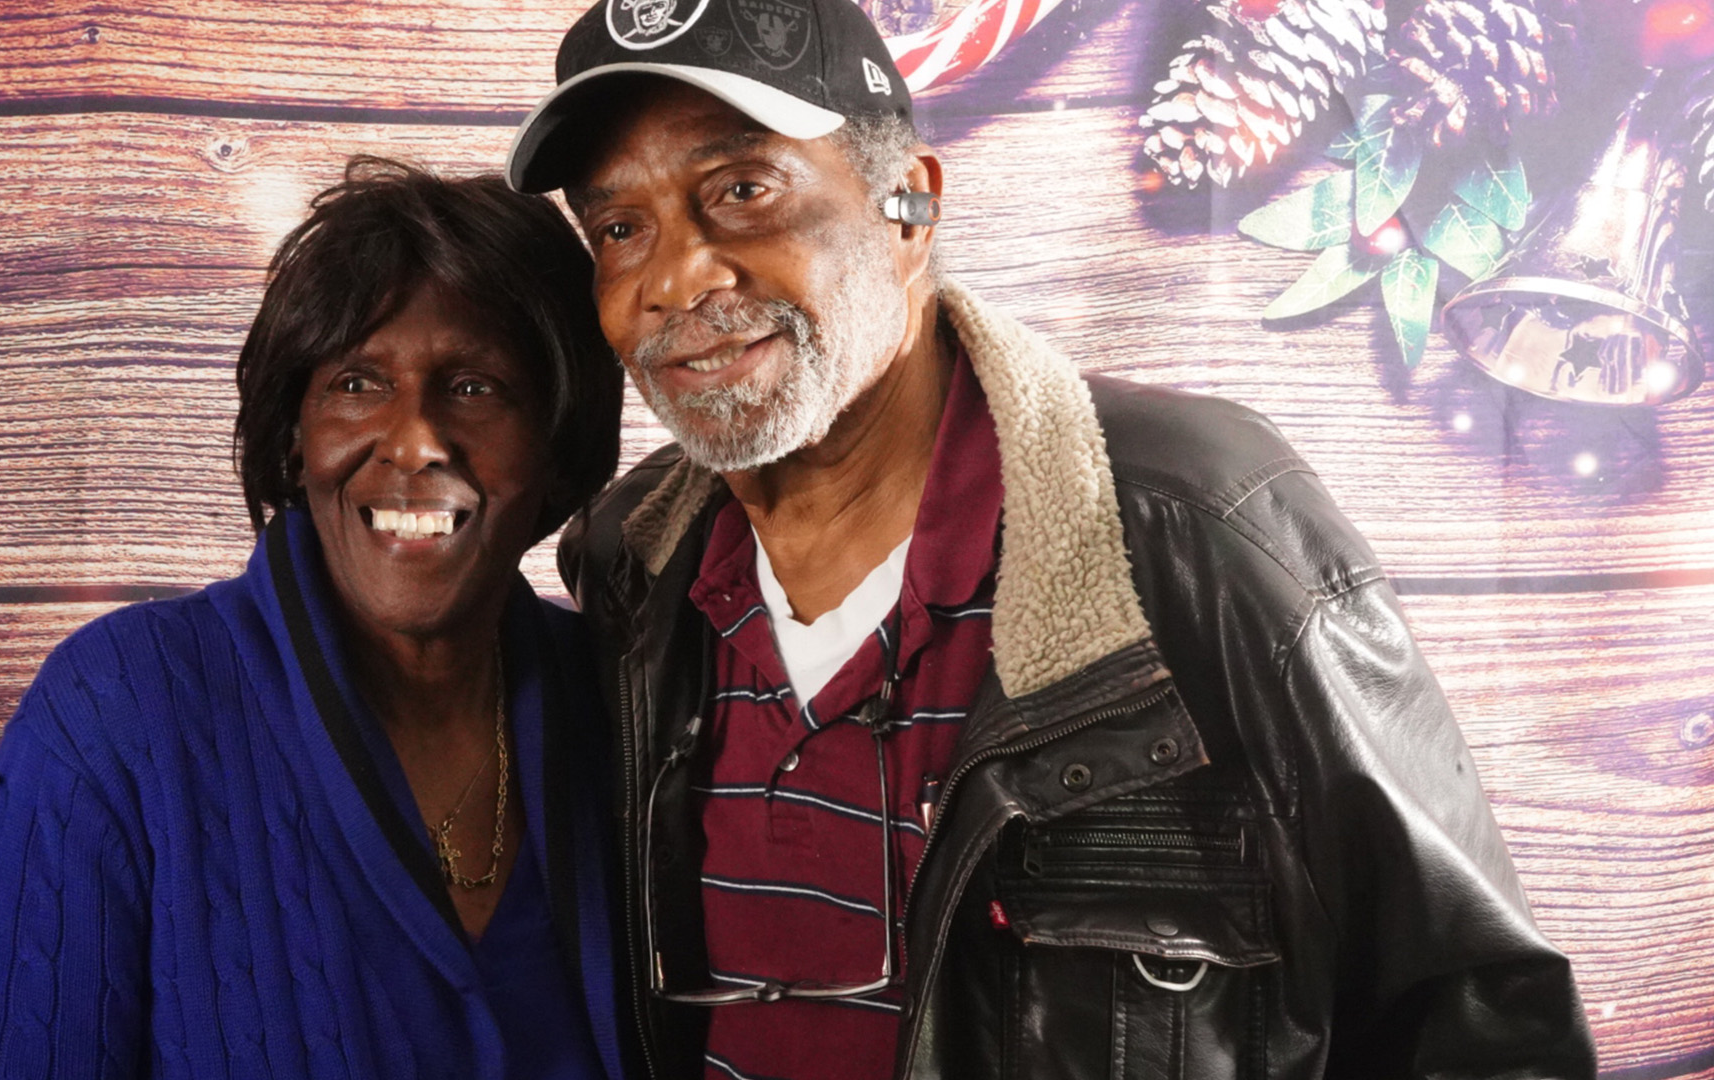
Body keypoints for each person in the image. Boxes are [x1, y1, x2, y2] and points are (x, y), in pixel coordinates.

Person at [503, 4, 1597, 1078]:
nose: (673, 279)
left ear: (909, 208)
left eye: (744, 190)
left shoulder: (1203, 531)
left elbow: (1483, 1030)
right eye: (619, 229)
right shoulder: (632, 570)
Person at [0, 158, 626, 1080]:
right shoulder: (122, 712)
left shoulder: (619, 700)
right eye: (356, 382)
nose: (416, 437)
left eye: (474, 387)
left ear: (558, 444)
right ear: (291, 436)